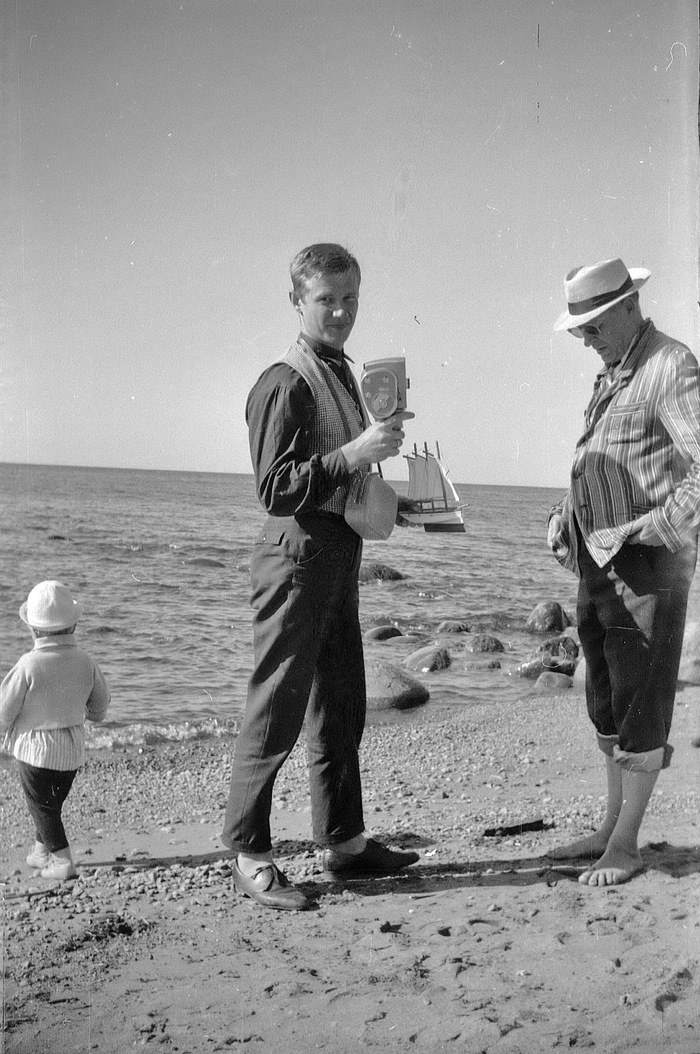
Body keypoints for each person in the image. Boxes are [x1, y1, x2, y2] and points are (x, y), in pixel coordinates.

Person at [222, 242, 419, 910]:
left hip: (336, 551)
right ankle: (249, 853)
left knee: (340, 703)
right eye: (326, 299)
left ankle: (344, 842)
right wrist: (357, 452)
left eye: (350, 298)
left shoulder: (339, 372)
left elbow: (342, 479)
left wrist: (407, 504)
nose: (340, 312)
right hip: (295, 554)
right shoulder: (286, 380)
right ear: (296, 302)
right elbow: (275, 489)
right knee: (276, 705)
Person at [546, 257, 700, 886]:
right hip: (599, 558)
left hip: (648, 564)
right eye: (579, 329)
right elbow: (608, 457)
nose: (586, 338)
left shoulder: (670, 364)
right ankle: (611, 827)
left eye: (593, 325)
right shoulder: (614, 371)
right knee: (607, 698)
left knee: (642, 701)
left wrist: (653, 531)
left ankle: (627, 845)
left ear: (629, 306)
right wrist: (566, 515)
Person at [0, 580, 111, 881]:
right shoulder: (85, 661)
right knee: (51, 803)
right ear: (73, 625)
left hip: (35, 752)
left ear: (32, 629)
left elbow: (4, 708)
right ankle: (41, 851)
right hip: (71, 749)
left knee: (41, 806)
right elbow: (100, 703)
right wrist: (93, 714)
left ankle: (62, 861)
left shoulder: (28, 664)